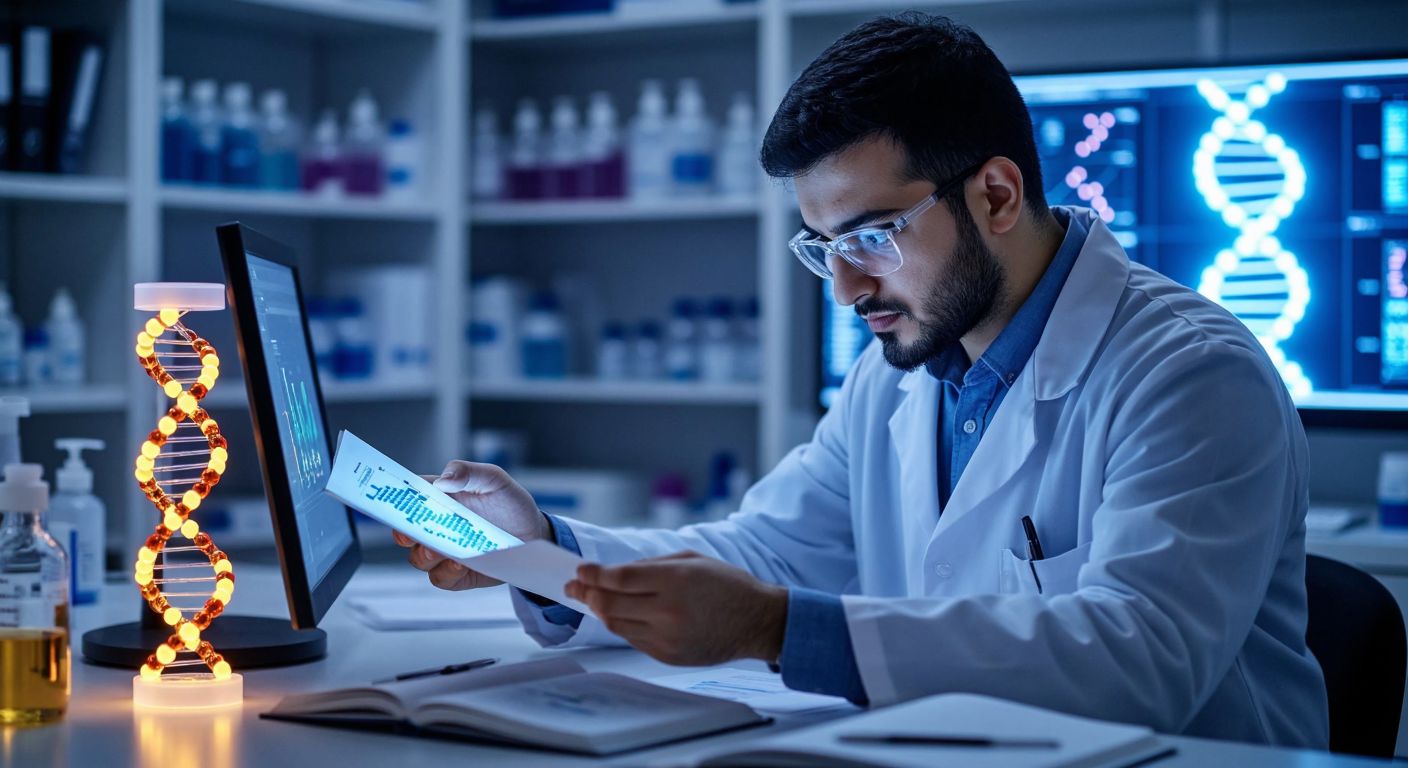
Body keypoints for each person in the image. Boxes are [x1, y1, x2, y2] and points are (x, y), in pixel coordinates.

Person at [398, 12, 1328, 747]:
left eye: (872, 235)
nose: (844, 286)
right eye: (824, 245)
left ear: (996, 195)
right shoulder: (903, 372)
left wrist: (780, 631)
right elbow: (765, 552)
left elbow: (1142, 663)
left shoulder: (1189, 374)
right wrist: (541, 549)